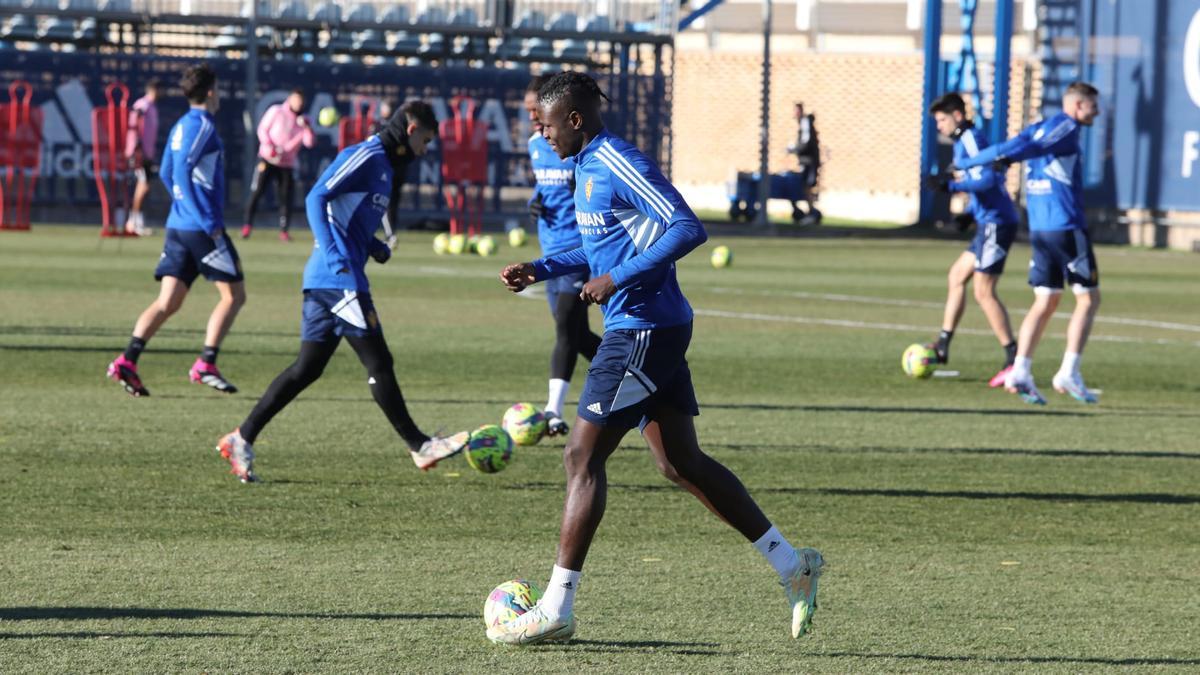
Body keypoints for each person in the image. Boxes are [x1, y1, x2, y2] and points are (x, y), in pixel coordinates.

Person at [491, 72, 823, 646]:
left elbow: (686, 227)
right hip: (652, 327)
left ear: (573, 119)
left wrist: (615, 278)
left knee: (580, 455)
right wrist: (541, 268)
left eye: (545, 125)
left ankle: (556, 607)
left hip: (642, 329)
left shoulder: (615, 160)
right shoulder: (584, 167)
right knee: (680, 463)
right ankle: (793, 565)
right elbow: (598, 244)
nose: (540, 136)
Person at [216, 102, 468, 483]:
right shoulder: (367, 155)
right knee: (378, 362)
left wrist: (372, 245)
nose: (425, 149)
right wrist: (336, 255)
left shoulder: (385, 166)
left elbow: (346, 217)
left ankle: (241, 437)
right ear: (412, 127)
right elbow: (317, 197)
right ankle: (419, 446)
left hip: (327, 281)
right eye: (425, 140)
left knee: (306, 369)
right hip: (338, 281)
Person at [956, 81, 1103, 405]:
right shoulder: (1064, 127)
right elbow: (1022, 148)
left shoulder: (1042, 127)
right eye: (1093, 105)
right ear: (1078, 105)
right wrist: (979, 162)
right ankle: (1069, 371)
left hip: (1039, 230)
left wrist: (989, 161)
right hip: (1065, 226)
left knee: (1046, 300)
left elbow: (1017, 145)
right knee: (1088, 299)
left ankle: (1020, 370)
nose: (1098, 111)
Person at [106, 63, 245, 398]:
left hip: (178, 226)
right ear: (211, 91)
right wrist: (202, 216)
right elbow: (179, 172)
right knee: (234, 295)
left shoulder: (182, 124)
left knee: (168, 301)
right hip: (201, 228)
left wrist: (182, 207)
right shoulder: (203, 126)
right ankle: (206, 363)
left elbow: (167, 172)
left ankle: (128, 360)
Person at [924, 93, 1020, 387]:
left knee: (983, 291)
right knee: (956, 276)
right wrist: (969, 212)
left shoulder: (971, 139)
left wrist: (950, 185)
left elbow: (990, 179)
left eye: (942, 119)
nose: (939, 126)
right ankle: (942, 345)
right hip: (986, 221)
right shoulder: (962, 141)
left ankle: (1014, 358)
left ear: (957, 115)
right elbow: (981, 184)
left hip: (997, 223)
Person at [523, 75, 602, 437]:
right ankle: (637, 373)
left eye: (535, 111)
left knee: (566, 325)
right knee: (576, 333)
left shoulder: (578, 145)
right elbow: (544, 187)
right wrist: (534, 202)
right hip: (549, 250)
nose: (532, 119)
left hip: (579, 249)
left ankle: (553, 411)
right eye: (527, 112)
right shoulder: (536, 146)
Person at [241, 88, 315, 242]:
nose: (298, 103)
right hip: (267, 159)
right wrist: (270, 147)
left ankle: (284, 231)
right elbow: (262, 129)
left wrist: (307, 127)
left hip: (287, 164)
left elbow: (310, 143)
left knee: (286, 198)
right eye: (295, 99)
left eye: (300, 101)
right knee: (257, 191)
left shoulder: (304, 120)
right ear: (290, 99)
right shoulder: (276, 111)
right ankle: (247, 226)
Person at [123, 79, 160, 236]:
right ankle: (133, 222)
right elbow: (134, 126)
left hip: (148, 153)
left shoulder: (152, 108)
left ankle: (136, 220)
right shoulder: (142, 105)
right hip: (140, 153)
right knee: (143, 185)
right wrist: (136, 148)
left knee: (144, 185)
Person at [787, 102, 821, 224]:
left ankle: (812, 213)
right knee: (804, 186)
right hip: (806, 161)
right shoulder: (803, 123)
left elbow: (806, 142)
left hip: (810, 162)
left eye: (796, 111)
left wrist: (795, 149)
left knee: (808, 187)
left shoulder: (805, 122)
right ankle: (808, 211)